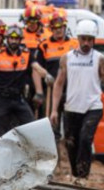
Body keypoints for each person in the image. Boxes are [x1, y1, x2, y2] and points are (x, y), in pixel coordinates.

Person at [49, 19, 104, 181]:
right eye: (83, 39)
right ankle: (75, 174)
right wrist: (53, 110)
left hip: (93, 107)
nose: (86, 43)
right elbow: (58, 84)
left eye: (89, 39)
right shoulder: (67, 58)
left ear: (94, 40)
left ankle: (83, 176)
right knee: (71, 143)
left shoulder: (100, 59)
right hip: (71, 107)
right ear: (78, 39)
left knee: (85, 138)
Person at [0, 25, 44, 138]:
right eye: (11, 38)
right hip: (1, 98)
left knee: (32, 125)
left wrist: (46, 78)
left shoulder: (26, 54)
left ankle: (32, 153)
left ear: (20, 40)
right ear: (7, 39)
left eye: (16, 38)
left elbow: (36, 69)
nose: (13, 41)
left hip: (19, 98)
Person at [32, 8, 78, 142]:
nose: (58, 30)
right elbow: (36, 67)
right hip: (52, 91)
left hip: (71, 91)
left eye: (61, 27)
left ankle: (69, 155)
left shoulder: (74, 44)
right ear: (51, 28)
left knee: (71, 126)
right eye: (55, 27)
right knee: (52, 126)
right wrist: (44, 77)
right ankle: (56, 157)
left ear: (65, 27)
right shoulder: (44, 45)